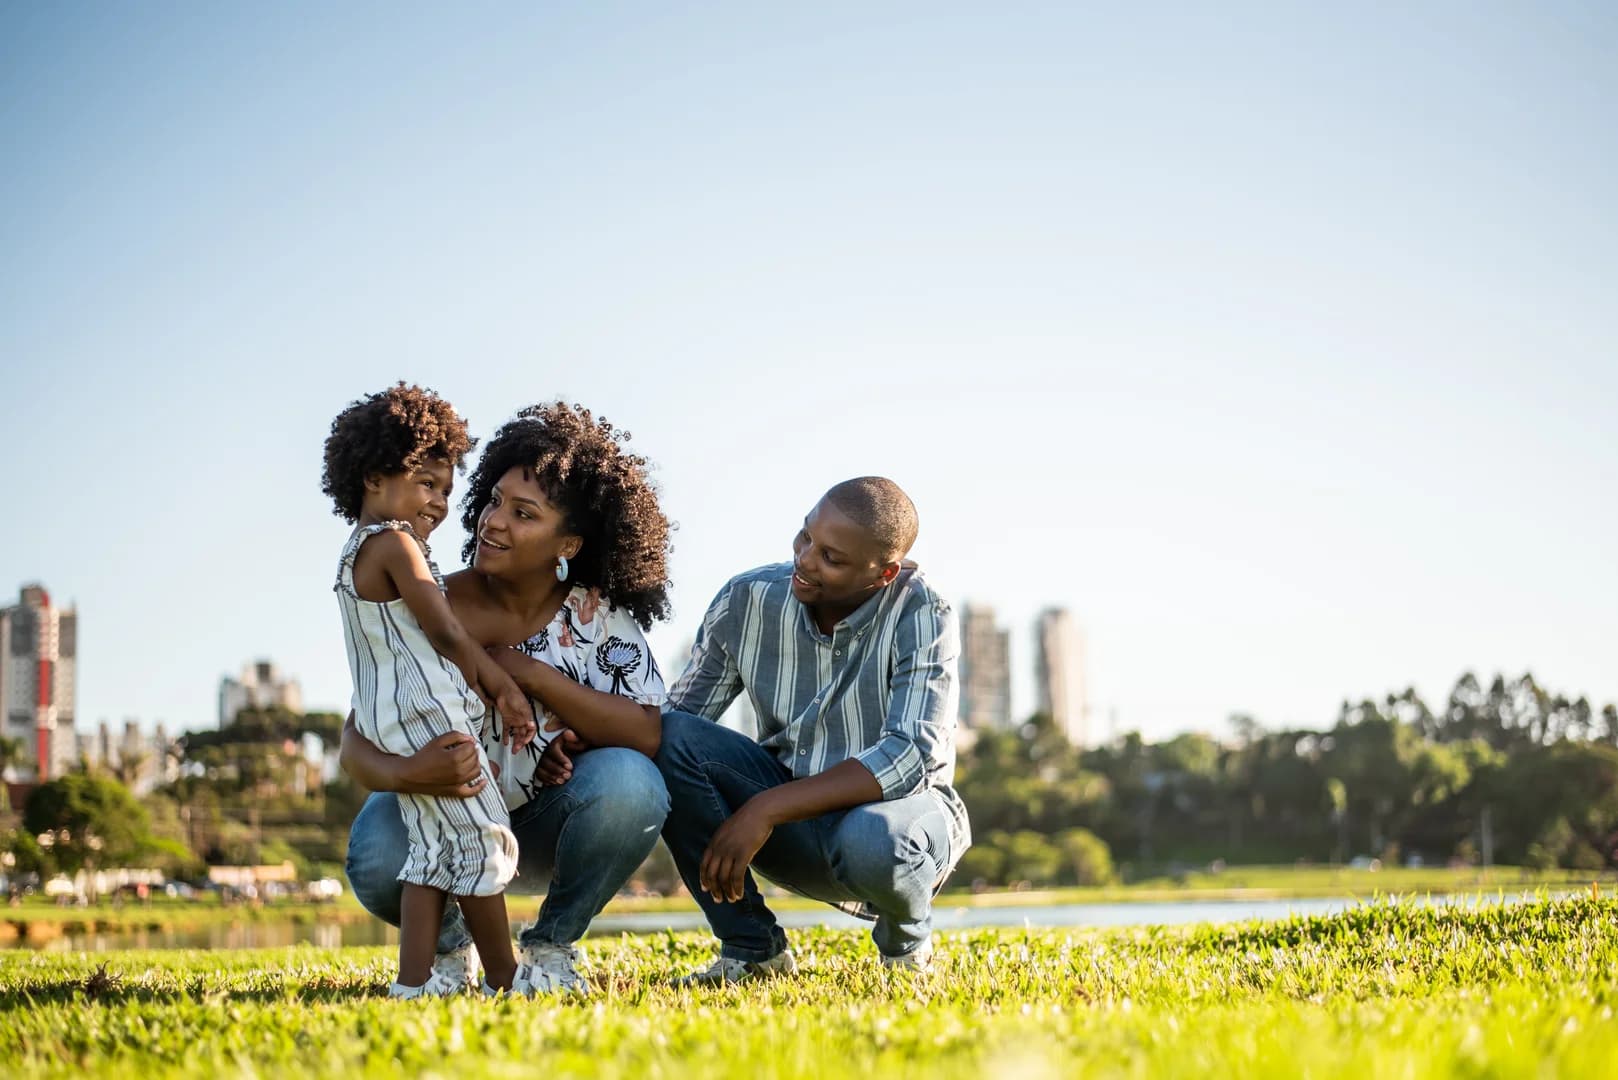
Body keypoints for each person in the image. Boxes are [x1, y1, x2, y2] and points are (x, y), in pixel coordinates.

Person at [341, 401, 674, 995]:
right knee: (376, 849)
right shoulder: (429, 599)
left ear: (566, 541)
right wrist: (412, 771)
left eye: (524, 514)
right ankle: (448, 953)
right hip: (443, 806)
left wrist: (529, 676)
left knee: (632, 782)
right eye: (493, 501)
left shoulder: (598, 615)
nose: (492, 521)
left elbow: (646, 732)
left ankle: (549, 948)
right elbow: (355, 741)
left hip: (545, 821)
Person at [652, 476, 971, 982]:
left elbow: (910, 756)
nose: (805, 559)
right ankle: (752, 950)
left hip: (895, 824)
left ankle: (905, 952)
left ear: (884, 573)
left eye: (832, 558)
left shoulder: (923, 610)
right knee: (669, 741)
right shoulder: (747, 600)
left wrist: (765, 808)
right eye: (806, 538)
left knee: (875, 837)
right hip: (790, 826)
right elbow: (676, 722)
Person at [323, 383, 538, 998]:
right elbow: (444, 629)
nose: (439, 502)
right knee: (481, 839)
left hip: (394, 718)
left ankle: (414, 984)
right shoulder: (394, 544)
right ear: (372, 476)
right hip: (429, 717)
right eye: (425, 482)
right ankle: (506, 977)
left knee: (433, 852)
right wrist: (497, 682)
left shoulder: (352, 555)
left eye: (446, 488)